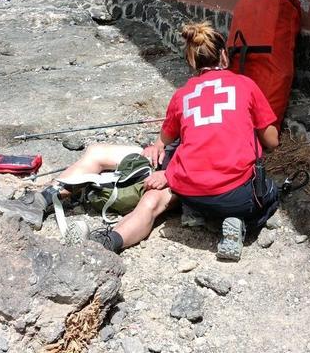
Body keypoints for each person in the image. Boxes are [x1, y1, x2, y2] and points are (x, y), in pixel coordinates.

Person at [67, 20, 280, 261]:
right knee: (270, 192)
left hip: (192, 193)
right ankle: (240, 223)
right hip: (237, 197)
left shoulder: (182, 96)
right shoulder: (246, 85)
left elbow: (163, 140)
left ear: (191, 61)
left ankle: (106, 241)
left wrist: (162, 156)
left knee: (153, 201)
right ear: (223, 56)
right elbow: (272, 142)